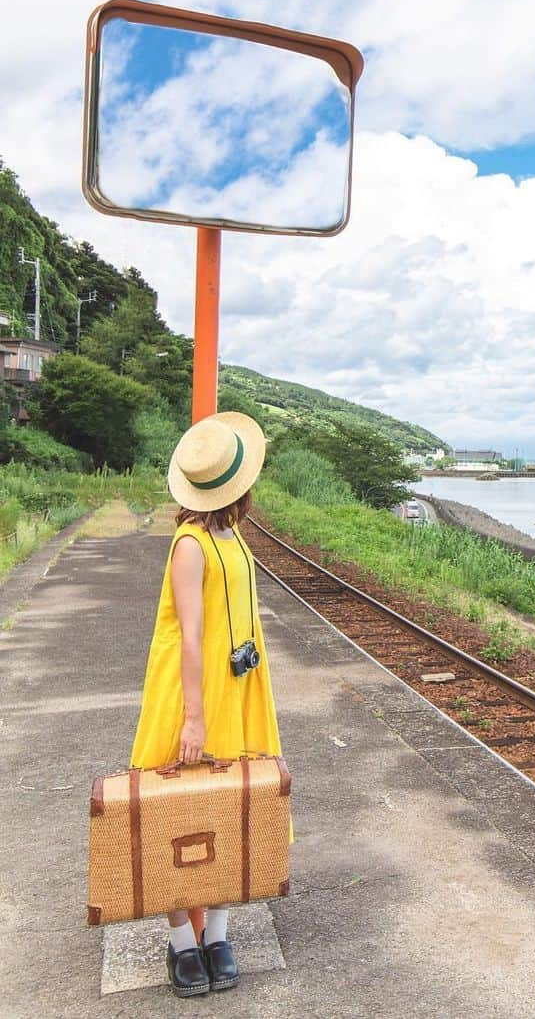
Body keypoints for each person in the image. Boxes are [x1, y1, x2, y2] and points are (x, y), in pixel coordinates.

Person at [130, 411, 284, 998]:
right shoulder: (190, 544)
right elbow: (190, 636)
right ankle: (181, 944)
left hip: (239, 684)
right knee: (174, 813)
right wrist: (192, 716)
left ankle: (216, 933)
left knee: (229, 807)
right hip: (193, 690)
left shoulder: (231, 535)